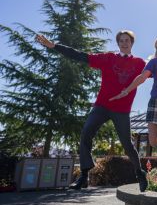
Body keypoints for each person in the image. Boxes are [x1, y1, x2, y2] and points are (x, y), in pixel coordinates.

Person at [35, 31, 148, 191]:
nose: (124, 43)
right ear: (118, 43)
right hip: (102, 105)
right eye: (121, 40)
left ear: (132, 43)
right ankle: (84, 175)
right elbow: (80, 55)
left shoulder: (139, 63)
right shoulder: (108, 58)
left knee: (127, 144)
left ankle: (139, 172)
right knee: (86, 131)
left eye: (127, 40)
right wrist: (54, 46)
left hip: (122, 109)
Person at [110, 36, 157, 152]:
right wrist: (127, 90)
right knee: (153, 142)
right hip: (156, 101)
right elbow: (143, 77)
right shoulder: (154, 62)